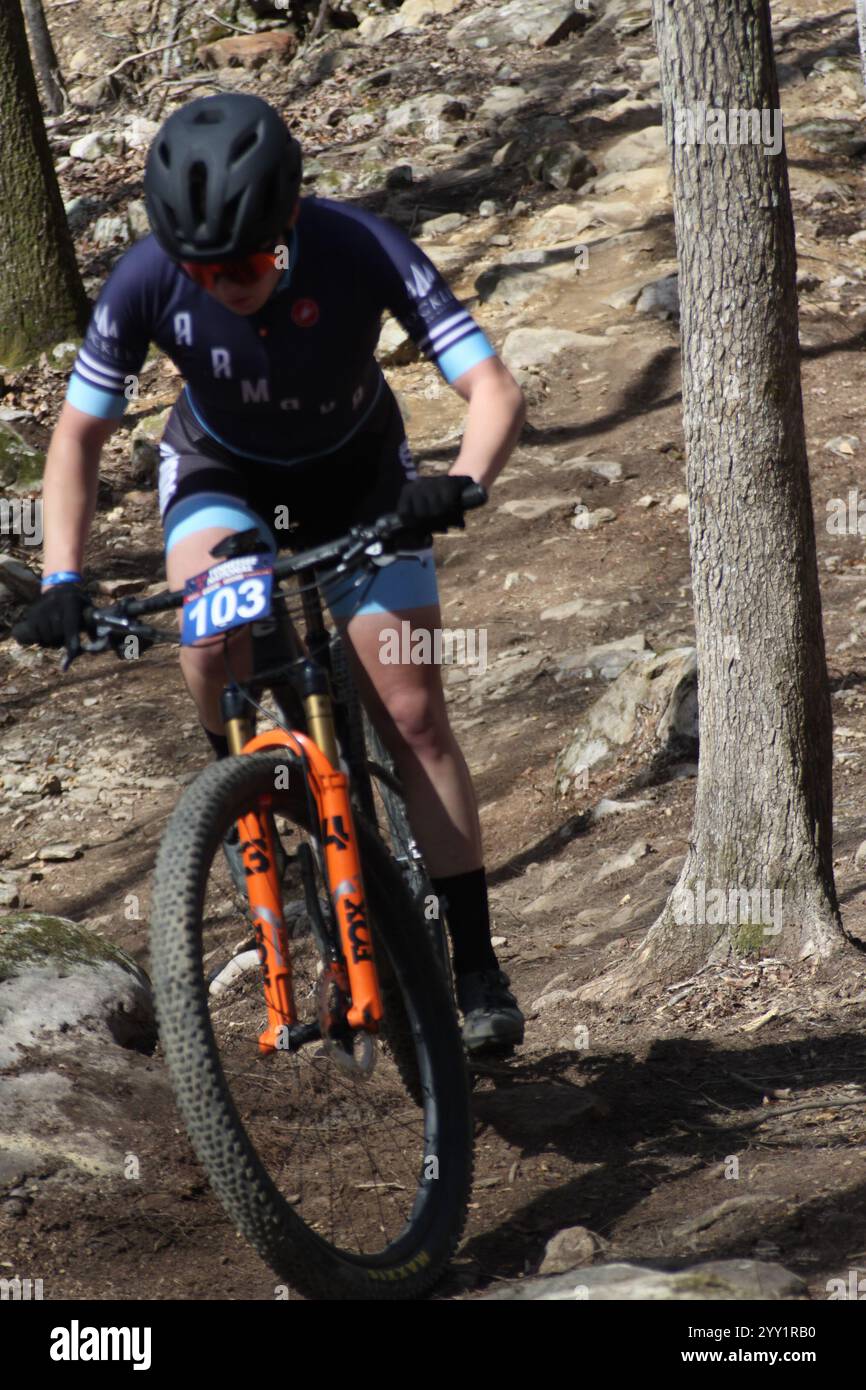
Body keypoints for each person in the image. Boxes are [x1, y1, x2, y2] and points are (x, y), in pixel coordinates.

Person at [14, 92, 527, 1053]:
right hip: (223, 477)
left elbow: (494, 386)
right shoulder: (142, 279)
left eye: (248, 262)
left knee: (412, 716)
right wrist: (62, 579)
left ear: (289, 220)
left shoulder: (359, 246)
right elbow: (78, 434)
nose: (229, 283)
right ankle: (243, 791)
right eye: (207, 269)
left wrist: (460, 481)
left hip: (364, 480)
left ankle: (476, 965)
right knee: (210, 642)